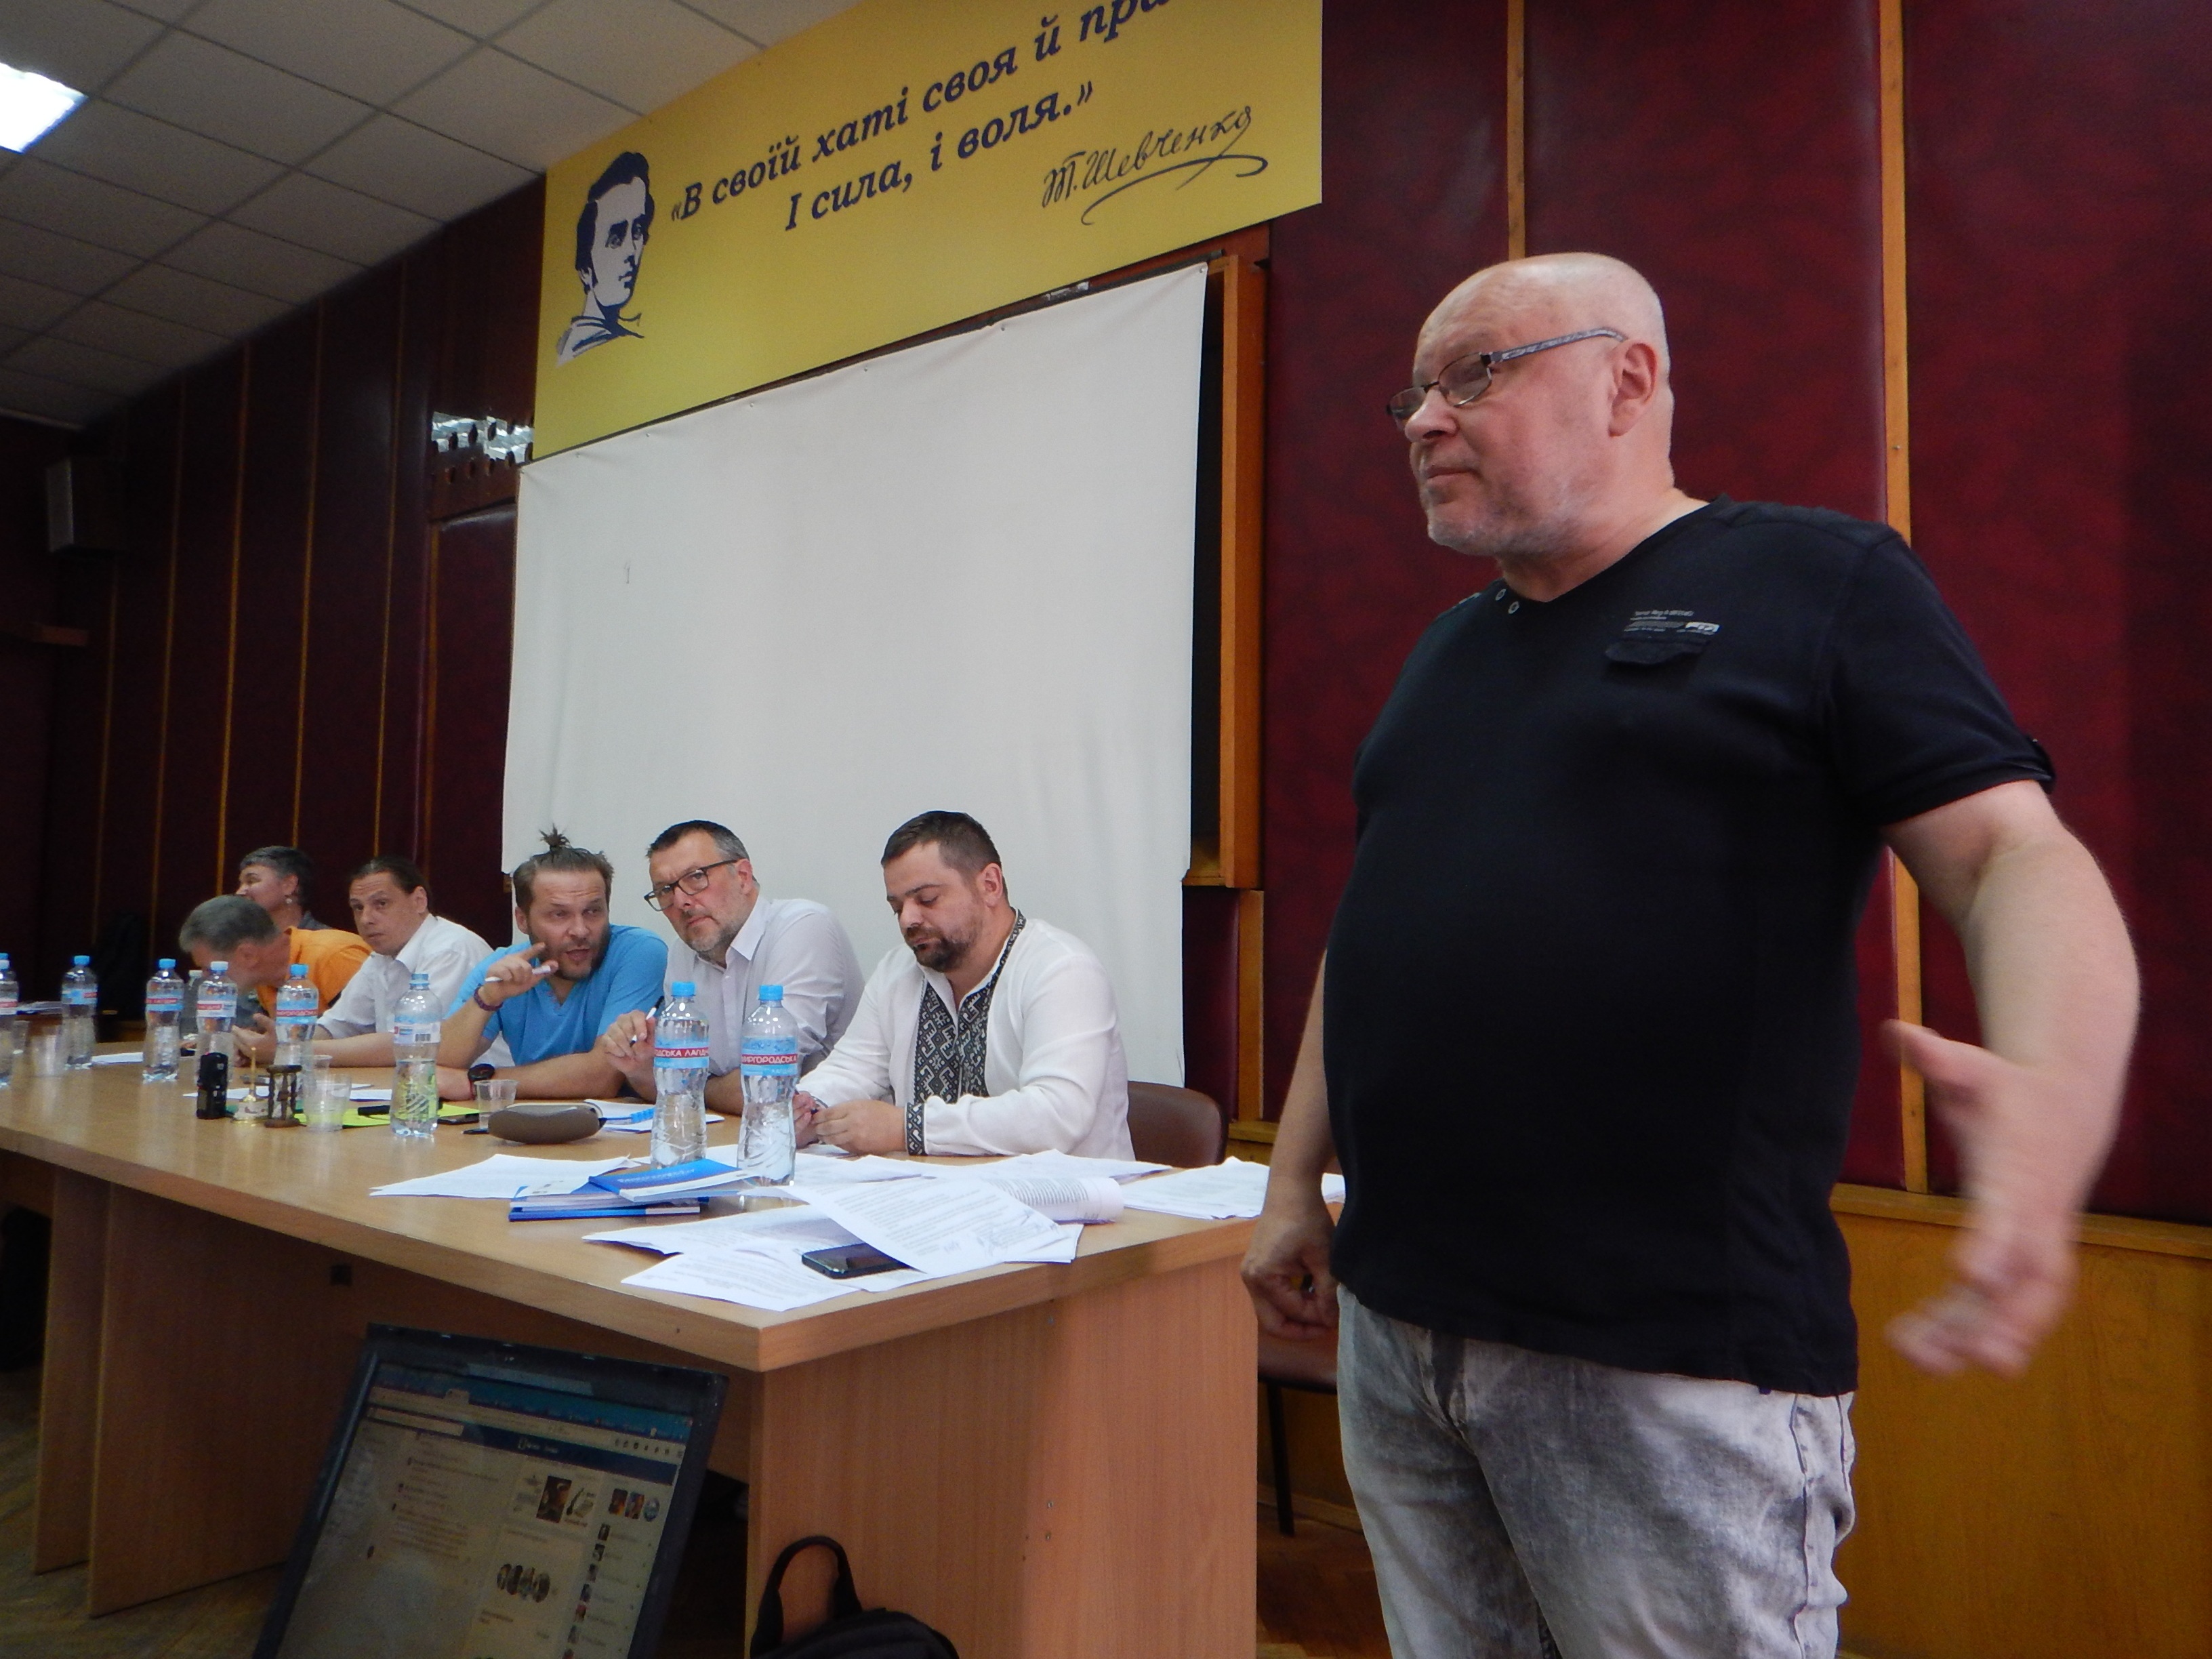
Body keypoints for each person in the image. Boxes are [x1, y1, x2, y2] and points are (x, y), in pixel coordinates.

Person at [1242, 253, 2137, 1659]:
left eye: (1472, 373)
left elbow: (2007, 857)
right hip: (1399, 1333)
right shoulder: (1445, 654)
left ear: (1628, 380)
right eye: (1411, 392)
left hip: (1661, 1361)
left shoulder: (1818, 580)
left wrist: (2057, 1083)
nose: (1422, 419)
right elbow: (1372, 933)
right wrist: (1295, 1179)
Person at [795, 811, 1133, 1158]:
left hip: (1066, 1192)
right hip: (933, 1188)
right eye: (897, 907)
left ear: (990, 885)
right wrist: (802, 1110)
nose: (908, 919)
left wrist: (907, 1128)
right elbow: (850, 1070)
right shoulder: (898, 972)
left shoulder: (1062, 969)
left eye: (927, 899)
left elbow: (1056, 1116)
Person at [595, 820, 863, 1110]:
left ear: (743, 877)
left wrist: (690, 1086)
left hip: (830, 1131)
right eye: (665, 891)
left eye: (696, 878)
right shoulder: (682, 954)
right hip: (734, 1129)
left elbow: (765, 1085)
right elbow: (667, 1083)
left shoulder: (802, 927)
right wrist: (637, 1064)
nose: (681, 901)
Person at [436, 831, 666, 1100]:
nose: (580, 930)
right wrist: (487, 999)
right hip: (528, 1119)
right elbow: (439, 1068)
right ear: (522, 920)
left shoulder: (639, 952)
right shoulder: (504, 967)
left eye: (593, 911)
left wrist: (479, 1084)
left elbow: (602, 1076)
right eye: (559, 914)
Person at [311, 855, 495, 1067]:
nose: (366, 919)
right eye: (358, 907)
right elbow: (338, 1026)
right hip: (412, 1078)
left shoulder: (451, 950)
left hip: (480, 1081)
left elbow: (416, 1044)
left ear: (419, 900)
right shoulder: (381, 956)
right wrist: (290, 1045)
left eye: (381, 904)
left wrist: (304, 1052)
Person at [178, 895, 371, 1044]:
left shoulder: (334, 958)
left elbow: (368, 1041)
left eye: (211, 970)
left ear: (248, 955)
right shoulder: (265, 977)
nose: (207, 979)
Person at [554, 151, 653, 364]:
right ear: (585, 269)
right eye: (615, 239)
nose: (631, 251)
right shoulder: (585, 350)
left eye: (637, 231)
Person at [237, 844, 329, 931]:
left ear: (289, 885)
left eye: (251, 881)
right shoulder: (238, 939)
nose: (239, 892)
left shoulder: (328, 941)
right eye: (241, 884)